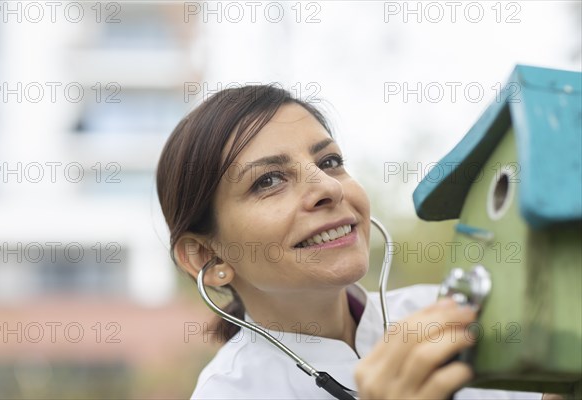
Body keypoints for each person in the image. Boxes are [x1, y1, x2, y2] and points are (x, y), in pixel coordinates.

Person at [156, 85, 541, 399]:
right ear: (206, 255)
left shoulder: (448, 312)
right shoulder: (229, 394)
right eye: (269, 180)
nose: (328, 188)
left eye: (329, 162)